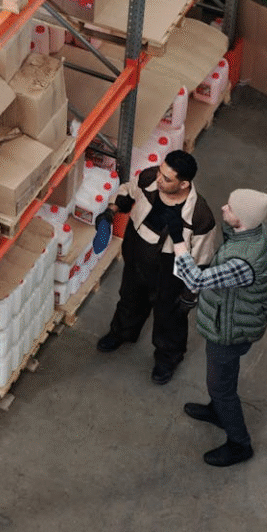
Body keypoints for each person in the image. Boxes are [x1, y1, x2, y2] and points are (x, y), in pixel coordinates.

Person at [168, 188, 267, 467]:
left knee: (221, 387)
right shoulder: (255, 232)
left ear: (241, 220)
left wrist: (178, 239)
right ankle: (218, 411)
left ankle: (240, 444)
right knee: (223, 380)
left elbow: (195, 279)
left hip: (231, 332)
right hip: (230, 318)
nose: (224, 208)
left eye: (231, 208)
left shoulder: (244, 261)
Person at [94, 150, 217, 384]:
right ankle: (122, 332)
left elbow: (201, 259)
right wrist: (111, 211)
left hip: (169, 270)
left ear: (184, 184)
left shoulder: (200, 216)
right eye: (160, 172)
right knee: (129, 298)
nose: (159, 179)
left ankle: (168, 358)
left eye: (167, 178)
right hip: (137, 254)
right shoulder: (150, 179)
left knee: (168, 317)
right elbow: (129, 192)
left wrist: (190, 294)